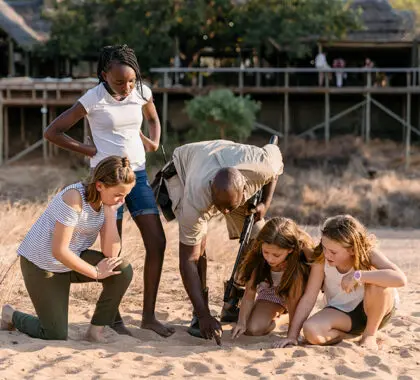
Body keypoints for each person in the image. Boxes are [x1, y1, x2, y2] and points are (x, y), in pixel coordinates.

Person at [44, 45, 174, 338]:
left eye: (131, 80)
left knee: (157, 241)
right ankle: (112, 319)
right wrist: (89, 149)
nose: (127, 87)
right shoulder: (93, 98)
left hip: (137, 176)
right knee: (111, 250)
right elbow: (53, 132)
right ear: (104, 75)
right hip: (104, 179)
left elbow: (152, 118)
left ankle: (149, 316)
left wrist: (152, 141)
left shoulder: (141, 91)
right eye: (119, 82)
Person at [161, 139, 283, 344]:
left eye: (229, 207)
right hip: (185, 168)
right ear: (211, 191)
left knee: (258, 237)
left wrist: (264, 203)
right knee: (198, 247)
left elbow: (276, 166)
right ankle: (198, 313)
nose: (225, 213)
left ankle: (233, 296)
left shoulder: (262, 166)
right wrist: (204, 316)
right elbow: (187, 261)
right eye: (220, 207)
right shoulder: (196, 197)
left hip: (229, 167)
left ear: (245, 187)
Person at [0, 156, 135, 341]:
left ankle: (95, 330)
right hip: (42, 265)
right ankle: (10, 315)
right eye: (118, 194)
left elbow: (111, 254)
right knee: (55, 334)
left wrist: (111, 214)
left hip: (70, 261)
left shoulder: (108, 203)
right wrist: (95, 272)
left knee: (122, 269)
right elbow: (59, 251)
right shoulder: (74, 197)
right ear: (99, 186)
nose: (122, 200)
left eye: (125, 195)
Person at [274, 214, 407, 350]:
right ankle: (349, 336)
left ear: (352, 249)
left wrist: (358, 275)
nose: (327, 254)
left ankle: (369, 335)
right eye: (325, 248)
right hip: (342, 313)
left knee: (377, 283)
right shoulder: (321, 259)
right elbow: (309, 298)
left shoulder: (368, 254)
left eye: (333, 251)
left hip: (377, 310)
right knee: (311, 331)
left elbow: (400, 279)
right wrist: (292, 335)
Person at [231, 217, 313, 339]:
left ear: (290, 249)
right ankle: (284, 316)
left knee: (296, 277)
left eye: (276, 255)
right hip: (272, 292)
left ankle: (291, 318)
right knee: (253, 329)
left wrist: (292, 334)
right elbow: (249, 292)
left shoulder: (303, 253)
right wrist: (241, 323)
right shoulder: (258, 255)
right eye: (266, 252)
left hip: (297, 295)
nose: (270, 259)